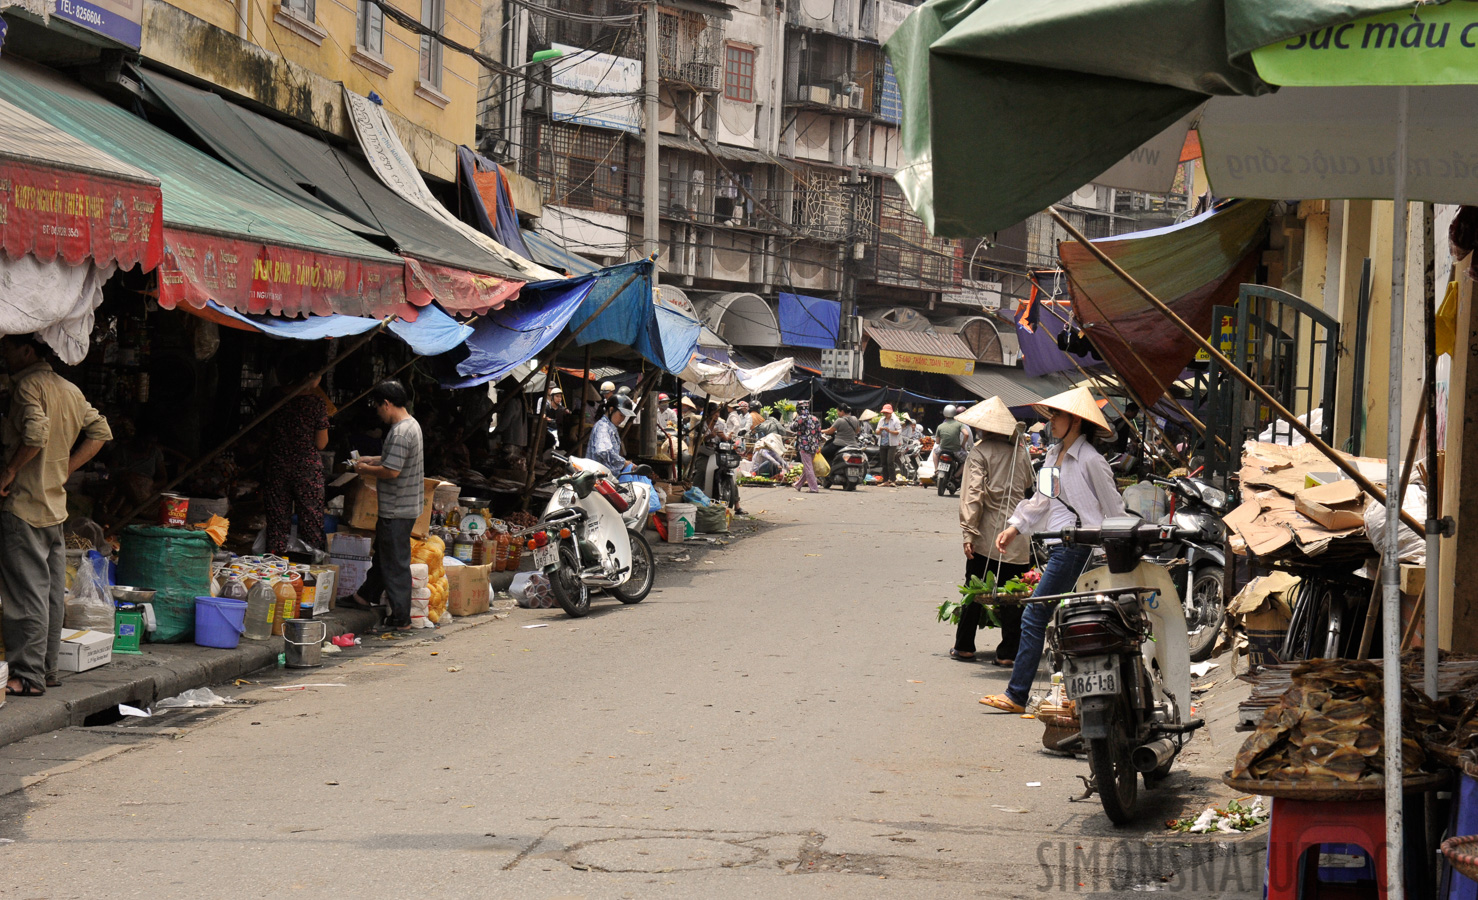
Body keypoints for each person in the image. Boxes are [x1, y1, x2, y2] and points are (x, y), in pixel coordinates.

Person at [980, 387, 1125, 713]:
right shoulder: (1051, 455)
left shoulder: (1092, 461)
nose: (1052, 421)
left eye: (1058, 415)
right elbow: (1041, 501)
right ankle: (1071, 696)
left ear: (1075, 420)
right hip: (1061, 547)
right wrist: (1014, 527)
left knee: (1034, 614)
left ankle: (1017, 695)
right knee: (1068, 620)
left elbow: (1114, 510)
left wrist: (1118, 552)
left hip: (1079, 549)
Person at [0, 335, 111, 697]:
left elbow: (35, 433)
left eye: (8, 347)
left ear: (27, 351)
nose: (4, 355)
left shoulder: (27, 386)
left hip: (26, 507)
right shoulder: (69, 389)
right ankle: (46, 670)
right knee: (47, 594)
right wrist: (64, 470)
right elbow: (100, 432)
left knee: (26, 596)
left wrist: (12, 470)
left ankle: (27, 676)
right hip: (54, 509)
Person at [950, 397, 1032, 664]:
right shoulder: (1021, 452)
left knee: (974, 590)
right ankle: (1008, 653)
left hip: (987, 534)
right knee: (1014, 595)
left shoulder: (980, 451)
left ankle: (964, 646)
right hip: (1017, 535)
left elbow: (973, 495)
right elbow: (1030, 486)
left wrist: (968, 532)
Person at [346, 380, 424, 632]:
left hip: (397, 507)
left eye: (378, 406)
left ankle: (402, 617)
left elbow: (391, 470)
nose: (378, 412)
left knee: (395, 563)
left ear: (387, 404)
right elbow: (395, 457)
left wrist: (365, 468)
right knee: (384, 555)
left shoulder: (400, 432)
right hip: (406, 505)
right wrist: (372, 458)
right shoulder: (411, 425)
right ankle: (364, 595)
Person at [262, 359, 330, 556]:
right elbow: (321, 444)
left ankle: (273, 565)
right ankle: (312, 569)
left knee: (277, 523)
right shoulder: (316, 403)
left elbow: (266, 430)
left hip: (277, 466)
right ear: (310, 376)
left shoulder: (276, 396)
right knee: (310, 522)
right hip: (305, 470)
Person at [589, 395, 635, 474]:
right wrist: (624, 463)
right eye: (621, 415)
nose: (623, 419)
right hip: (599, 477)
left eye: (624, 416)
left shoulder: (610, 426)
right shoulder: (603, 427)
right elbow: (602, 452)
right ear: (611, 410)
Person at [789, 400, 822, 492]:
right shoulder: (815, 419)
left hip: (804, 446)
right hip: (814, 445)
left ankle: (814, 488)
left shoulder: (800, 419)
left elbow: (792, 428)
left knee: (808, 467)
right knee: (808, 466)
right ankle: (798, 484)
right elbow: (819, 433)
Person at [821, 403, 861, 469]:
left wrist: (821, 431)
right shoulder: (855, 418)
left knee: (822, 453)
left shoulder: (840, 420)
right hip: (853, 444)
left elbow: (830, 431)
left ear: (842, 412)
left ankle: (830, 469)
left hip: (839, 444)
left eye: (838, 412)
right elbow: (857, 431)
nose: (837, 414)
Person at [876, 404, 903, 486]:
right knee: (883, 462)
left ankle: (893, 480)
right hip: (882, 443)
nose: (886, 414)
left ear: (890, 413)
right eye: (885, 413)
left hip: (892, 444)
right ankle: (885, 480)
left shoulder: (895, 420)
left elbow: (899, 431)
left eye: (887, 413)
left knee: (890, 462)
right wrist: (880, 430)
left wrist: (890, 431)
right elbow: (877, 431)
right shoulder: (881, 420)